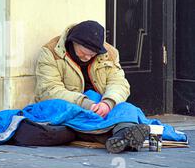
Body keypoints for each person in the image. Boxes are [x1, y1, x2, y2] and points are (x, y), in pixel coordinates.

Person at [25, 21, 149, 153]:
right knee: (66, 112)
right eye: (84, 52)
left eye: (92, 54)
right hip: (71, 103)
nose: (88, 57)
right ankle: (120, 134)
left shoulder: (109, 53)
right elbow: (49, 89)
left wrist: (108, 103)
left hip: (99, 103)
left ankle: (121, 137)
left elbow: (119, 83)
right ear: (73, 42)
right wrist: (85, 103)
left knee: (126, 108)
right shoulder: (51, 52)